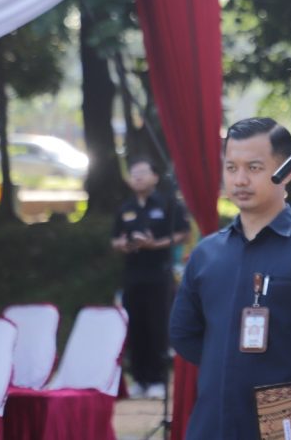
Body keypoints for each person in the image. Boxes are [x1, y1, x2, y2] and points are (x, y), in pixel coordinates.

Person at [169, 118, 291, 439]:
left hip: (288, 428)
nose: (240, 179)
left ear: (287, 170)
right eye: (231, 168)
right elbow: (183, 333)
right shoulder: (207, 254)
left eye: (254, 168)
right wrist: (231, 362)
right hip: (211, 425)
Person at [111, 158, 190, 400]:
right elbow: (114, 239)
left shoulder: (168, 204)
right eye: (133, 173)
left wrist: (155, 244)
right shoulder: (125, 208)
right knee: (135, 326)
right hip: (133, 275)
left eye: (142, 172)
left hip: (159, 273)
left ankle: (157, 379)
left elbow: (183, 233)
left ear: (155, 177)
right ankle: (139, 378)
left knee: (157, 325)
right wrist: (122, 244)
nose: (137, 177)